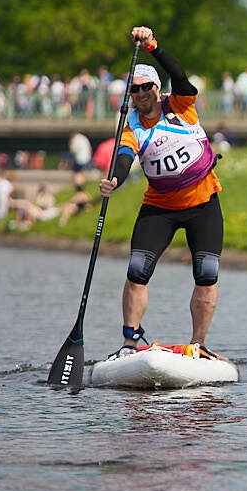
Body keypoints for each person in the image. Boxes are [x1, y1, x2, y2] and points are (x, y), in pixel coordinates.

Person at [98, 26, 224, 360]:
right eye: (133, 90)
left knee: (207, 274)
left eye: (145, 88)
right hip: (160, 208)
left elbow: (180, 76)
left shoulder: (181, 105)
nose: (139, 94)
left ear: (157, 88)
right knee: (137, 270)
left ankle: (199, 345)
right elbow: (124, 160)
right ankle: (129, 343)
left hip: (203, 203)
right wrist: (114, 180)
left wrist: (152, 45)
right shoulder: (132, 127)